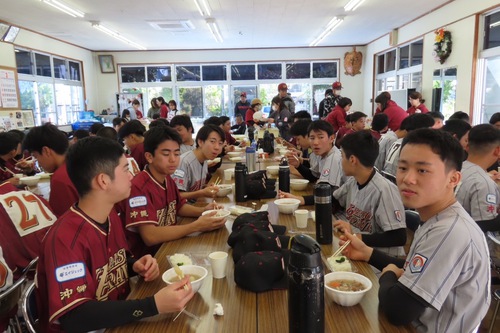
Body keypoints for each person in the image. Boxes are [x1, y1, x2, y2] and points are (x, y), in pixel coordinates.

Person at [36, 137, 195, 333]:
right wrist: (152, 305)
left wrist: (133, 265)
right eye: (126, 170)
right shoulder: (65, 238)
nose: (131, 177)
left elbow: (109, 262)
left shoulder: (109, 214)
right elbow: (74, 316)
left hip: (119, 318)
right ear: (103, 180)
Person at [338, 128, 490, 332]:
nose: (408, 179)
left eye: (422, 170)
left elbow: (397, 311)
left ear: (453, 179)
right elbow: (414, 269)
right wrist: (368, 254)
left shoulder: (450, 232)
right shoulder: (436, 219)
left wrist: (388, 274)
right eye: (402, 168)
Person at [120, 127, 226, 258]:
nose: (173, 159)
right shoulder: (139, 187)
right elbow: (150, 236)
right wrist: (196, 226)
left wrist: (205, 211)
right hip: (150, 259)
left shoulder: (167, 178)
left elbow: (179, 207)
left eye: (176, 154)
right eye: (166, 154)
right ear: (149, 157)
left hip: (170, 247)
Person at [332, 131, 406, 257]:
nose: (340, 161)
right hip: (357, 249)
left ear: (352, 160)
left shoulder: (384, 190)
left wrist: (356, 235)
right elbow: (333, 200)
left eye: (342, 156)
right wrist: (301, 200)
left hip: (380, 259)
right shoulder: (354, 181)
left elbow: (398, 237)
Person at [23, 124, 78, 217]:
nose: (38, 162)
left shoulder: (60, 178)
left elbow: (62, 219)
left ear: (46, 151)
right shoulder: (77, 162)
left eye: (36, 156)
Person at [455, 124, 500, 232]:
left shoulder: (456, 169)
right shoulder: (483, 182)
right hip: (471, 242)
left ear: (467, 147)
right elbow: (485, 224)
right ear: (497, 151)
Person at [171, 125, 223, 200]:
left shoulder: (204, 159)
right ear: (200, 142)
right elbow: (176, 195)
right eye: (212, 141)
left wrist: (206, 187)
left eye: (220, 143)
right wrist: (202, 192)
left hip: (197, 204)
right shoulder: (184, 162)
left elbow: (194, 187)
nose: (217, 147)